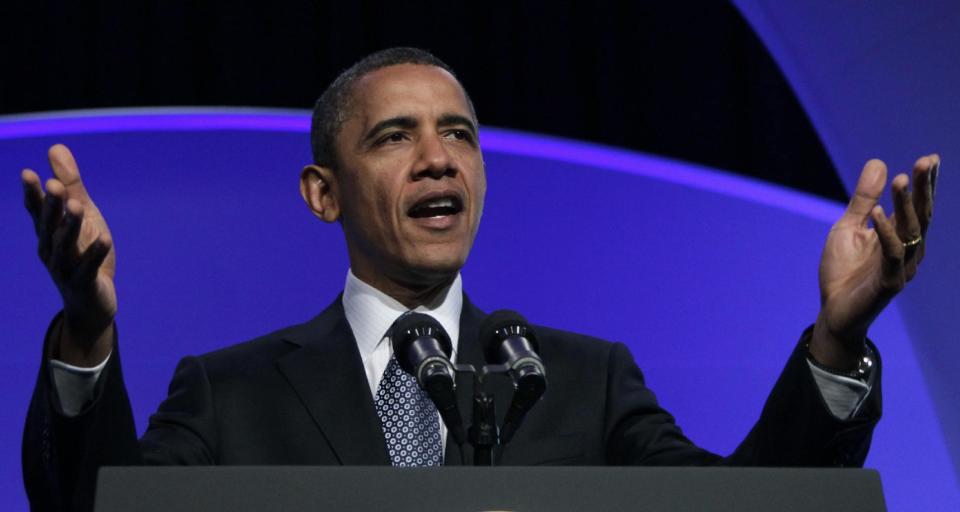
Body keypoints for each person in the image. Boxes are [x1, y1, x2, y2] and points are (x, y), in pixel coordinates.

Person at [21, 47, 938, 511]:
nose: (438, 160)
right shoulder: (231, 394)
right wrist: (87, 332)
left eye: (458, 134)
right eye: (395, 138)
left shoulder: (586, 382)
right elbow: (94, 511)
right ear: (322, 194)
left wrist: (837, 341)